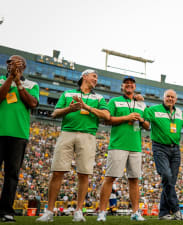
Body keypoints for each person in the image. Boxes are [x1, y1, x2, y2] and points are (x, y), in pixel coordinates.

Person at [37, 69, 110, 222]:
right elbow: (55, 113)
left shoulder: (99, 97)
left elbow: (106, 116)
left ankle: (78, 211)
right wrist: (70, 108)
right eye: (94, 76)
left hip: (88, 135)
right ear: (84, 76)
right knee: (57, 172)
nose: (96, 79)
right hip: (67, 133)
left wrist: (86, 107)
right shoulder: (68, 93)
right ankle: (49, 211)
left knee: (84, 173)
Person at [143, 89, 183, 220]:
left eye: (172, 97)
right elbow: (145, 120)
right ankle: (176, 209)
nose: (170, 99)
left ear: (175, 100)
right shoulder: (154, 109)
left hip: (175, 149)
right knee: (166, 176)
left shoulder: (178, 112)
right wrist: (139, 103)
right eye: (168, 96)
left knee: (170, 182)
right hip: (160, 147)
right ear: (163, 98)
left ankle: (163, 213)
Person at [97, 76, 149, 222]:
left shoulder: (141, 104)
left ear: (135, 86)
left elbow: (147, 125)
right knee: (110, 178)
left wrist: (141, 120)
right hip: (118, 145)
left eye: (131, 84)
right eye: (126, 83)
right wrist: (127, 118)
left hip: (136, 146)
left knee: (134, 180)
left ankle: (135, 212)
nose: (129, 85)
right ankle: (102, 211)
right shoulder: (114, 101)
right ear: (122, 86)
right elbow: (107, 120)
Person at [0, 55, 39, 222]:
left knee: (12, 175)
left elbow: (32, 103)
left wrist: (19, 83)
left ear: (23, 66)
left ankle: (5, 210)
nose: (13, 64)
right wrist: (10, 78)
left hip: (19, 134)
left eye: (17, 62)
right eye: (10, 62)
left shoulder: (32, 84)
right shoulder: (0, 79)